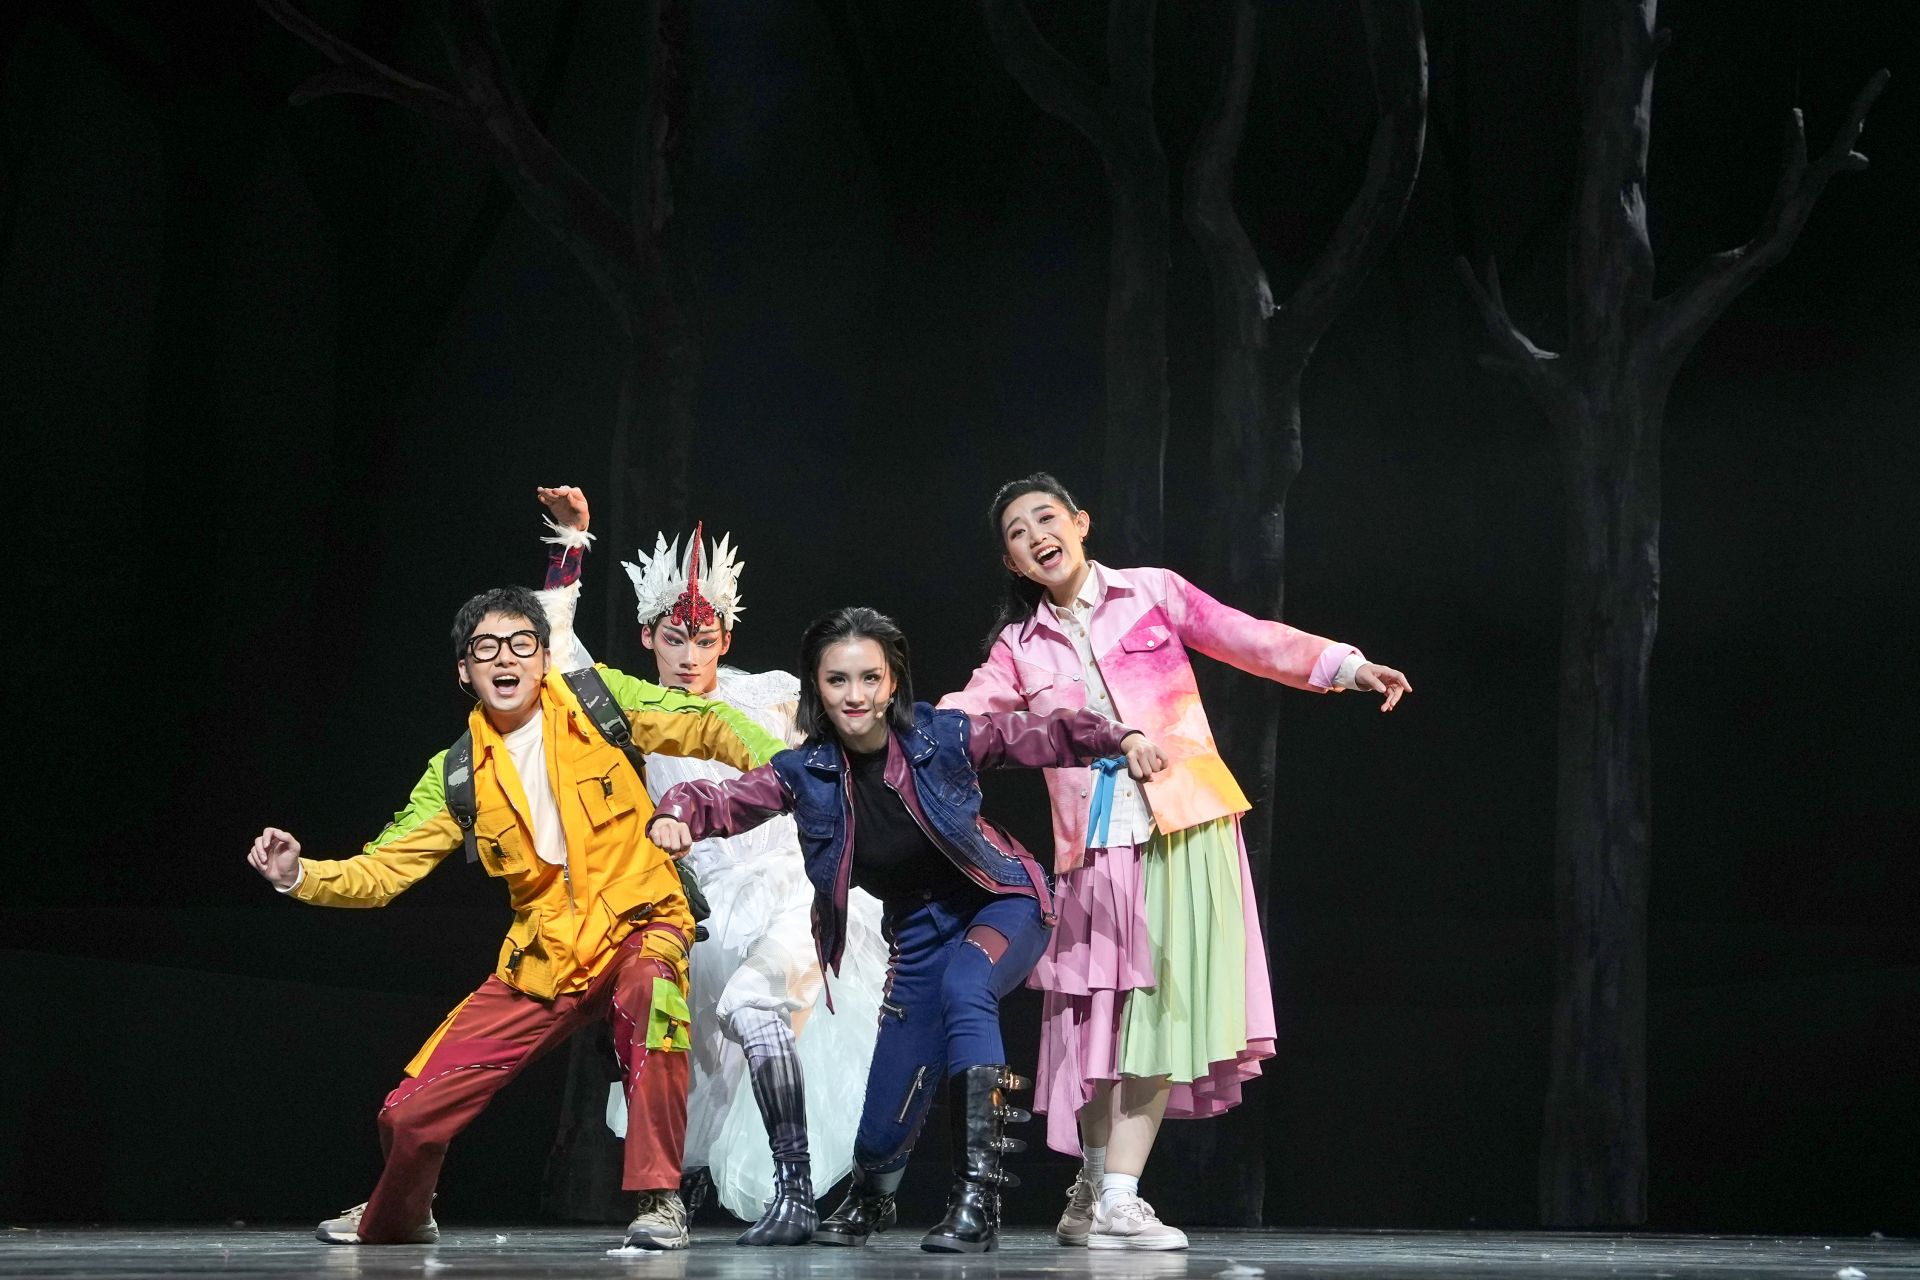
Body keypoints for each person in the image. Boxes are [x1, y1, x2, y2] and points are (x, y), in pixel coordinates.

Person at [940, 473, 1412, 1251]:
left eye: (1046, 518)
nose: (1036, 537)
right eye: (1018, 534)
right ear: (1013, 563)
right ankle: (1095, 1189)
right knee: (1097, 1026)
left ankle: (1120, 1196)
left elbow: (1249, 637)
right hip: (1092, 846)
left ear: (1081, 523)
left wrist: (1345, 666)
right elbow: (965, 712)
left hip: (1184, 826)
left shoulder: (1152, 592)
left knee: (1158, 1014)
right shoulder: (1017, 649)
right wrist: (887, 735)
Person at [246, 585, 783, 1251]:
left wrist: (783, 769)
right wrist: (298, 874)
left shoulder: (596, 698)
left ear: (544, 658)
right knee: (407, 1116)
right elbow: (382, 871)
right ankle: (404, 1211)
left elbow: (706, 722)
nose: (505, 658)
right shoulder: (456, 775)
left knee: (653, 998)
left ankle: (659, 1199)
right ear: (464, 671)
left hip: (642, 918)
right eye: (486, 648)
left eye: (521, 644)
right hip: (545, 955)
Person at [647, 606, 1167, 1254]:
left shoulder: (936, 738)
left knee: (966, 987)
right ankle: (873, 1197)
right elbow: (724, 799)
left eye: (870, 678)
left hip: (999, 900)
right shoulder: (806, 773)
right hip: (918, 931)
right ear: (817, 688)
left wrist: (1120, 737)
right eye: (838, 680)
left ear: (892, 681)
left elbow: (1036, 733)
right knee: (882, 1123)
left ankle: (976, 1199)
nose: (855, 695)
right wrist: (676, 811)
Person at [528, 486, 886, 1246]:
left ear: (725, 637)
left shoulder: (773, 696)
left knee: (763, 1010)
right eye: (674, 639)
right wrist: (569, 548)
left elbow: (847, 744)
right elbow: (555, 655)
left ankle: (796, 1193)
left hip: (788, 887)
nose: (690, 657)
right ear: (648, 636)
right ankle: (686, 1189)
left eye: (704, 639)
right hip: (706, 908)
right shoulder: (632, 710)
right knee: (707, 1069)